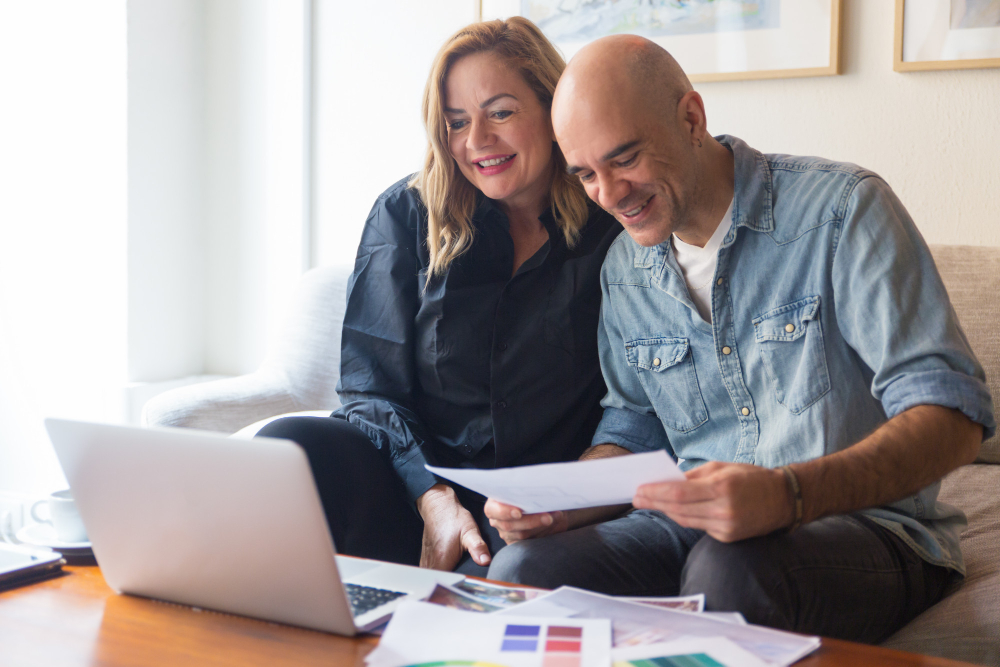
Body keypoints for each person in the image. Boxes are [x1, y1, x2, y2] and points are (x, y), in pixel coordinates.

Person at [484, 34, 995, 642]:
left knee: (728, 571)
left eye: (624, 159)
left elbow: (953, 415)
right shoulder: (624, 268)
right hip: (696, 529)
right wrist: (563, 502)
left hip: (868, 529)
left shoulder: (843, 212)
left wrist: (789, 496)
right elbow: (635, 426)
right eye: (586, 175)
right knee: (523, 571)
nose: (610, 195)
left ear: (691, 118)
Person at [257, 18, 620, 577]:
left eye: (500, 112)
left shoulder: (613, 225)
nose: (476, 141)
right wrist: (433, 497)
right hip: (418, 488)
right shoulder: (405, 214)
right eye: (456, 122)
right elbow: (371, 389)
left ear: (553, 110)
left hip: (534, 508)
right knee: (290, 443)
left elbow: (633, 402)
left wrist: (561, 501)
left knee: (505, 573)